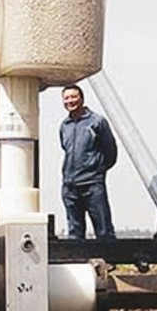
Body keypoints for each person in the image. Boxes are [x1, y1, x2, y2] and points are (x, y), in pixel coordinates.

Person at [57, 84, 118, 241]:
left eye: (73, 97)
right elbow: (66, 149)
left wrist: (97, 170)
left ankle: (108, 262)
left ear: (82, 99)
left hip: (92, 184)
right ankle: (78, 263)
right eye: (66, 98)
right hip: (70, 185)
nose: (70, 101)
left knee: (103, 230)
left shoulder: (97, 122)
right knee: (74, 232)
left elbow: (110, 150)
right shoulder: (65, 125)